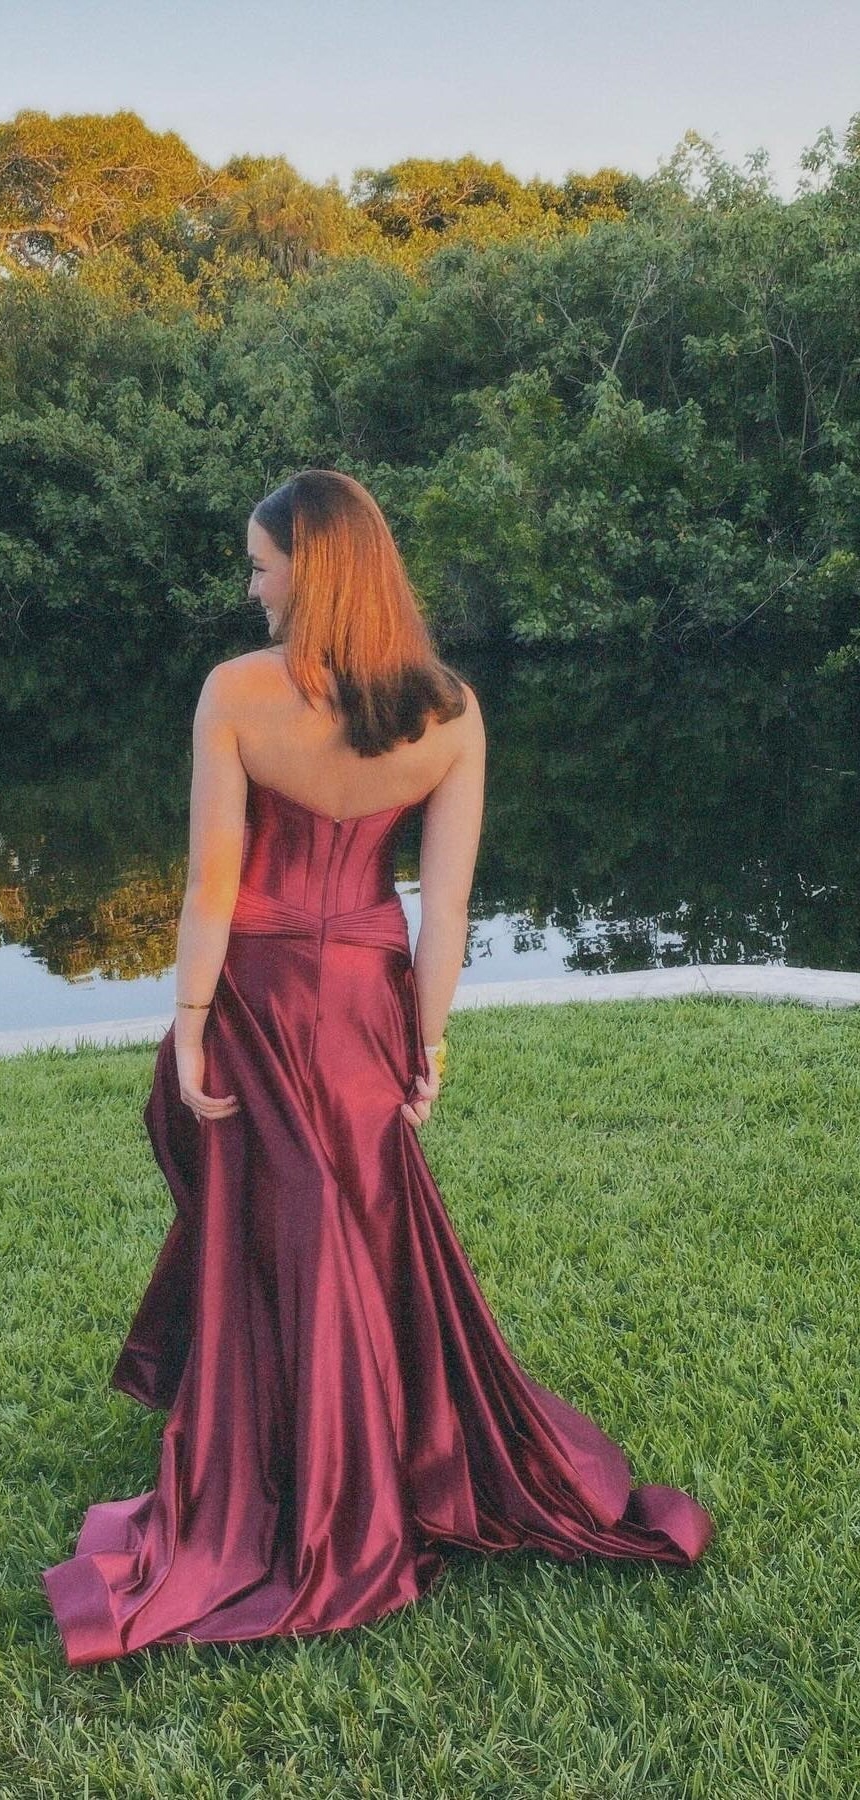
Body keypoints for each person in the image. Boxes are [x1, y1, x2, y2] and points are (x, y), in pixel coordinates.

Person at [41, 468, 714, 1666]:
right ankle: (369, 1447)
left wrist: (188, 1019)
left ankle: (306, 1482)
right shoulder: (448, 710)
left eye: (261, 567)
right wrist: (428, 1037)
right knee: (350, 1212)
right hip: (365, 994)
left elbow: (212, 883)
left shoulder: (238, 693)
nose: (251, 589)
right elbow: (444, 906)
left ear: (313, 571)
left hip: (259, 988)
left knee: (282, 1213)